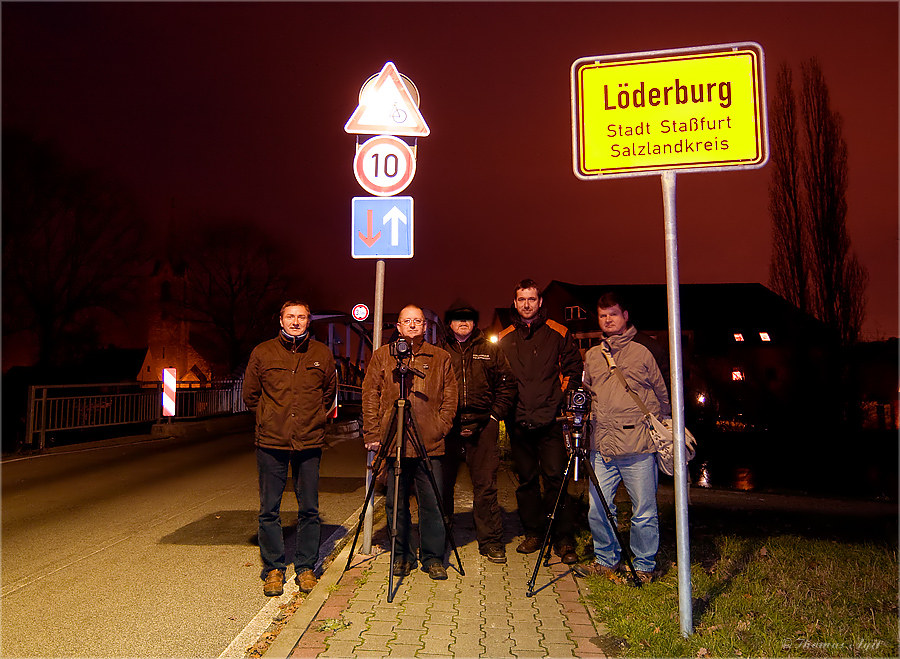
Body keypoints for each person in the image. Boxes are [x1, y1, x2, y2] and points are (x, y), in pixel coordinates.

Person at [243, 301, 337, 597]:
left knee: (309, 509)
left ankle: (306, 566)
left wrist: (315, 418)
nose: (295, 322)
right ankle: (273, 568)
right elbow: (251, 395)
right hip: (272, 441)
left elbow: (329, 392)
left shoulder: (321, 353)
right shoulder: (263, 351)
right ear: (280, 320)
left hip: (309, 440)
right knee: (269, 509)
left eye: (301, 317)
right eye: (290, 317)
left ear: (309, 321)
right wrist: (271, 418)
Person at [575, 291, 670, 584]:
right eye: (603, 316)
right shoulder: (592, 355)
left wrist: (664, 426)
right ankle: (607, 559)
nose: (607, 320)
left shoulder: (644, 351)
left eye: (613, 314)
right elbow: (588, 393)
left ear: (625, 316)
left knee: (643, 510)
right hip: (602, 446)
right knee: (599, 508)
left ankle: (643, 564)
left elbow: (662, 396)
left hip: (638, 446)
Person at [361, 305, 458, 580]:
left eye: (418, 321)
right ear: (399, 326)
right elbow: (370, 395)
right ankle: (401, 555)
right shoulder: (383, 356)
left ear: (425, 326)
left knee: (433, 502)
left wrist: (441, 426)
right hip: (394, 439)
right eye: (407, 321)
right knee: (396, 502)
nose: (413, 325)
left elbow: (450, 396)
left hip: (430, 441)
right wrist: (373, 433)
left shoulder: (440, 357)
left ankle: (432, 557)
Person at [498, 279, 583, 564]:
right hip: (519, 422)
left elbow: (573, 369)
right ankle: (534, 533)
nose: (526, 304)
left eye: (531, 299)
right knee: (526, 482)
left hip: (551, 422)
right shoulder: (505, 337)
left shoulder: (559, 332)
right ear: (515, 302)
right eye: (521, 299)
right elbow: (500, 380)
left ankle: (563, 539)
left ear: (540, 302)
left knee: (556, 480)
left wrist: (559, 400)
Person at [439, 299, 517, 564]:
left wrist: (495, 416)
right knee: (442, 485)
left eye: (468, 318)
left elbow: (507, 385)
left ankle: (491, 541)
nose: (463, 323)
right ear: (449, 323)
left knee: (485, 487)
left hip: (483, 424)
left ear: (474, 322)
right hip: (448, 427)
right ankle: (442, 538)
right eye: (458, 318)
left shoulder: (489, 350)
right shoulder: (439, 351)